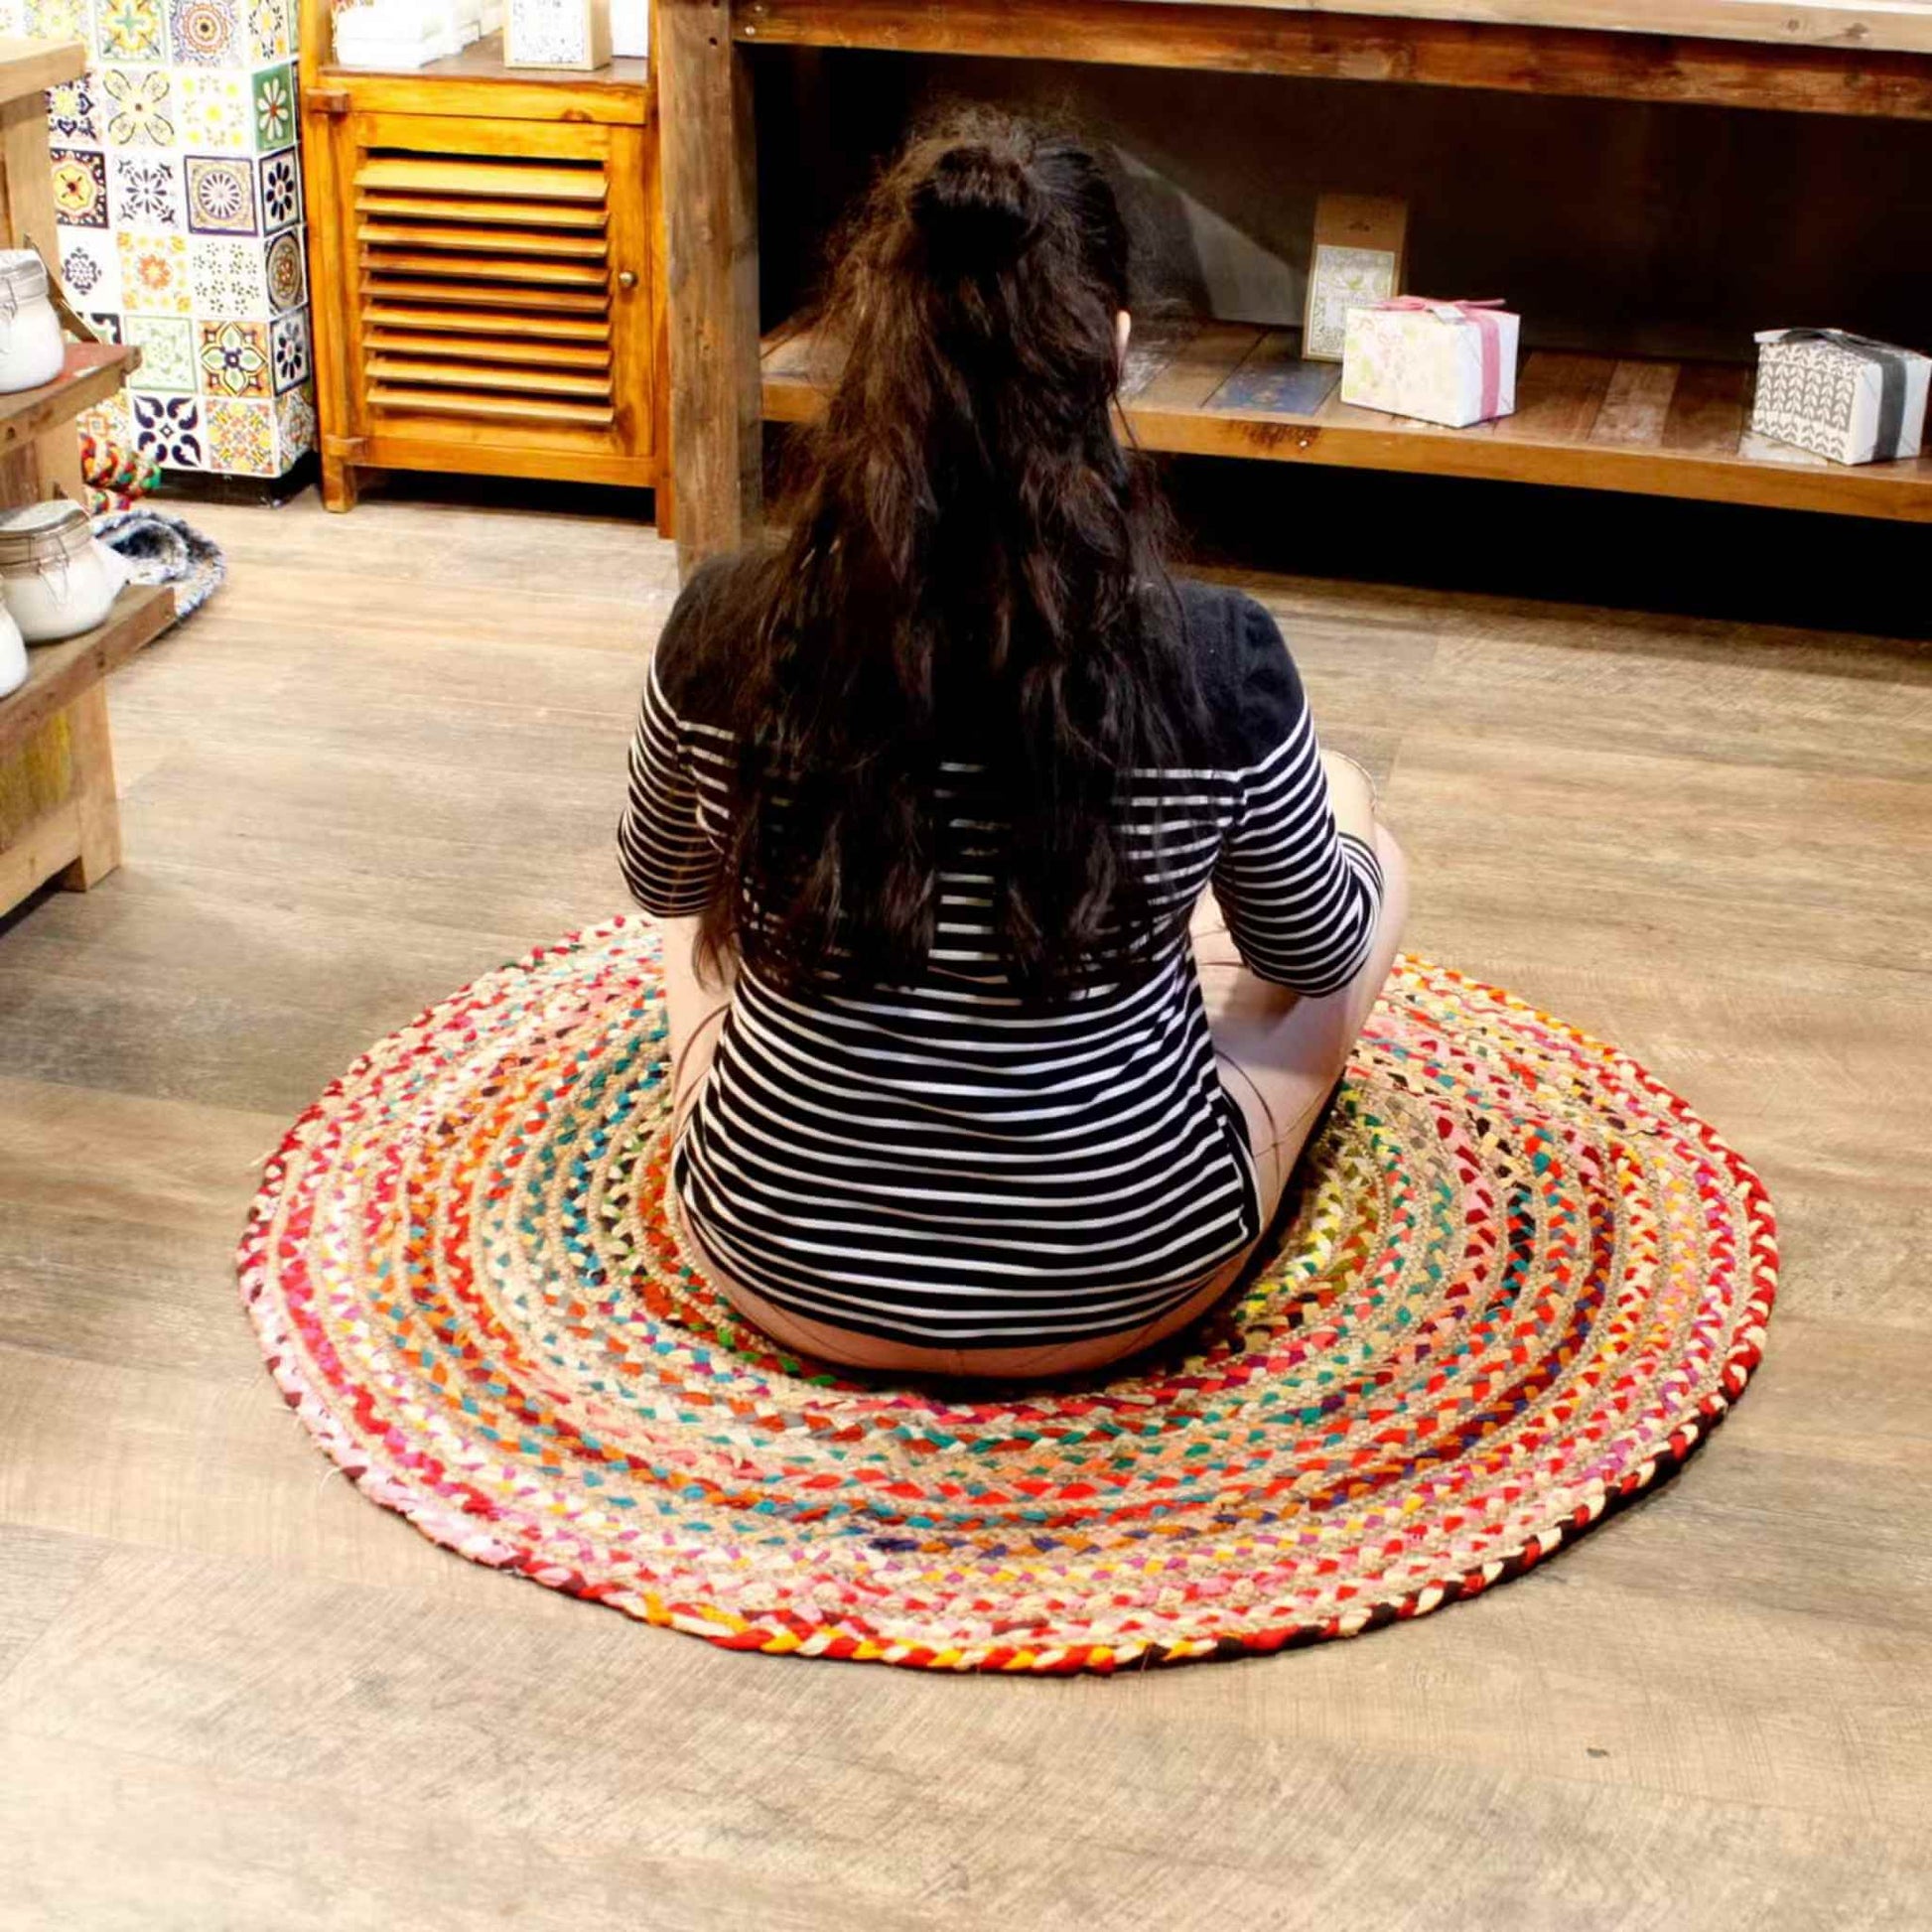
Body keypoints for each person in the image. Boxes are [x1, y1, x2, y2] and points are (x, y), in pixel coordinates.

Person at [620, 109, 1407, 1379]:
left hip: (772, 1262)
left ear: (864, 345)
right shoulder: (1217, 657)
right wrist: (1329, 829)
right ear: (1111, 350)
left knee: (683, 914)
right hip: (1124, 1278)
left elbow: (661, 885)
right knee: (1362, 842)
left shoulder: (725, 616)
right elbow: (1308, 954)